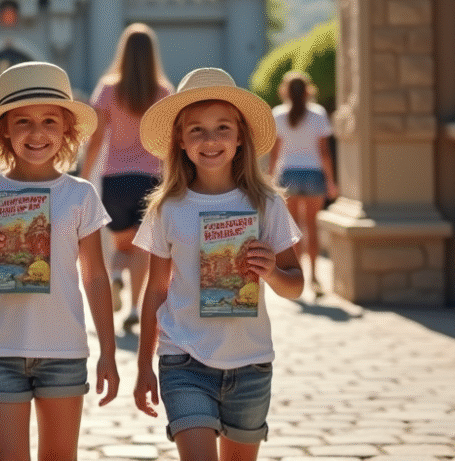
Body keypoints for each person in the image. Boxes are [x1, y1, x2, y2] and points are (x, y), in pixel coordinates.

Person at [132, 67, 303, 461]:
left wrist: (272, 272)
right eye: (197, 130)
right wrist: (144, 366)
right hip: (183, 359)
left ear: (240, 136)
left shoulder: (266, 204)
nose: (211, 140)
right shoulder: (167, 208)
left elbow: (296, 284)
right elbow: (156, 289)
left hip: (251, 364)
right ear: (180, 140)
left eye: (222, 128)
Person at [0, 62, 120, 461]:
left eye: (49, 120)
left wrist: (109, 354)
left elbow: (96, 278)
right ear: (4, 130)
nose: (36, 133)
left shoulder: (80, 195)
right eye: (22, 121)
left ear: (66, 129)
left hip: (64, 351)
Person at [80, 23, 172, 334]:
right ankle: (134, 308)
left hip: (114, 179)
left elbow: (96, 138)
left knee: (121, 245)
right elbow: (168, 141)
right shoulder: (163, 92)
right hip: (149, 179)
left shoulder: (107, 89)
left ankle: (117, 276)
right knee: (142, 249)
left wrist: (83, 174)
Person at [268, 71, 339, 297]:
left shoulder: (278, 114)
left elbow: (274, 153)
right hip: (314, 175)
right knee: (311, 226)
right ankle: (315, 278)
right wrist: (331, 181)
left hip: (287, 175)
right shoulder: (318, 114)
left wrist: (270, 180)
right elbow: (325, 152)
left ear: (285, 91)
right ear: (308, 90)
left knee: (293, 231)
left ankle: (294, 275)